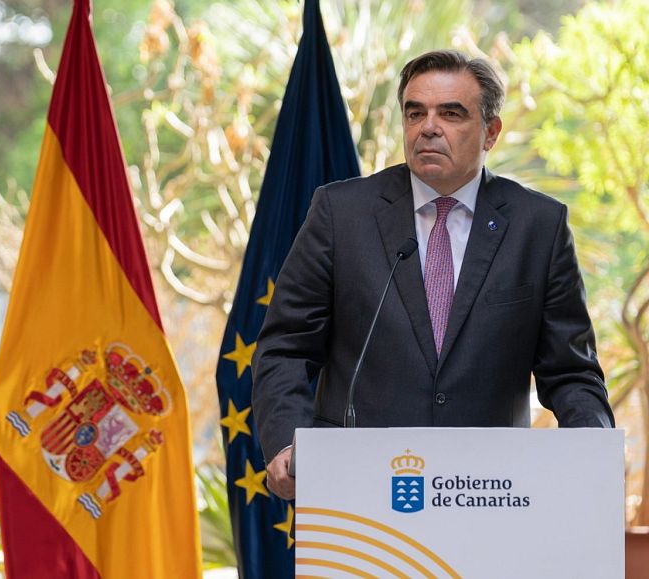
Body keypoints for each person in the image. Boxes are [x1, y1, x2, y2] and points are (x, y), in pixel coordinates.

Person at [251, 49, 613, 500]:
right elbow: (285, 347)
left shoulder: (538, 226)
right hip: (355, 491)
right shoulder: (341, 213)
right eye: (415, 112)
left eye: (451, 113)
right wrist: (286, 441)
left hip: (489, 492)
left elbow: (571, 371)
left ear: (491, 132)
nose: (428, 127)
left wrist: (594, 449)